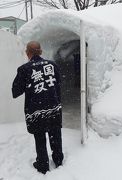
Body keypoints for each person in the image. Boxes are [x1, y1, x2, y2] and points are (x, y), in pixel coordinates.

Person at [12, 41, 64, 174]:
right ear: (40, 51)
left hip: (36, 111)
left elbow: (15, 92)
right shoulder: (52, 65)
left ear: (28, 53)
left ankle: (43, 164)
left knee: (40, 138)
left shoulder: (24, 69)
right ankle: (58, 160)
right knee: (55, 135)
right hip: (54, 107)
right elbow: (58, 83)